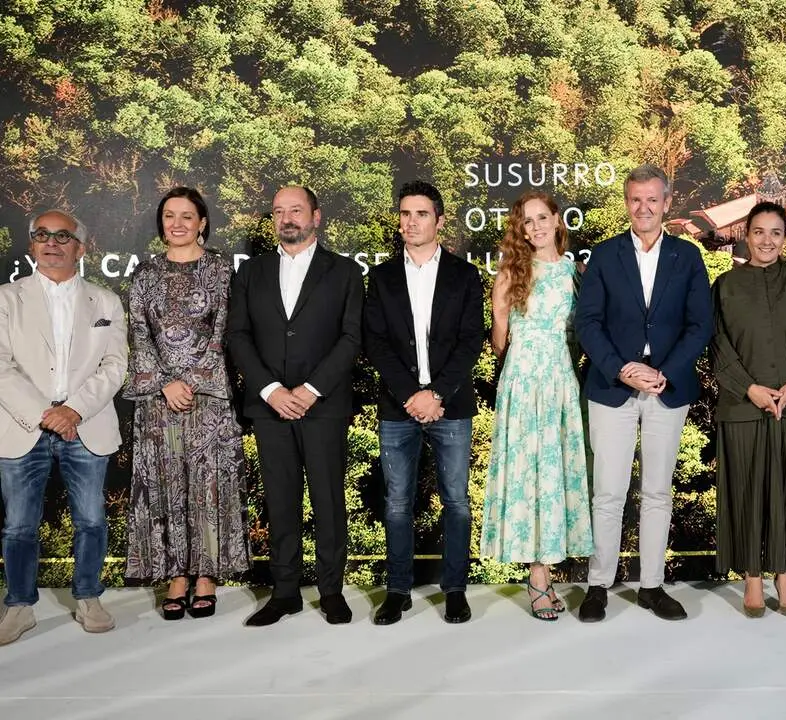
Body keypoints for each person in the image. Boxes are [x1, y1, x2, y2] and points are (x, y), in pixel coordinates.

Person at [575, 164, 713, 622]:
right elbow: (588, 324)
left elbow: (700, 325)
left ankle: (651, 585)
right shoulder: (604, 255)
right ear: (627, 202)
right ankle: (599, 585)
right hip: (612, 387)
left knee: (657, 492)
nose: (644, 207)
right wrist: (622, 369)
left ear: (667, 202)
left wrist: (664, 373)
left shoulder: (688, 256)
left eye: (652, 199)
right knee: (608, 493)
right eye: (636, 199)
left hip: (667, 389)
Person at [227, 186, 363, 626]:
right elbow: (238, 336)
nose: (287, 218)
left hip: (322, 406)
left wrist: (310, 389)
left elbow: (351, 338)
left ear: (316, 217)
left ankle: (331, 591)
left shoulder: (344, 272)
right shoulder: (251, 272)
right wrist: (270, 390)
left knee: (328, 501)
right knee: (280, 501)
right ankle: (284, 593)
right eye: (279, 211)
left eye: (296, 210)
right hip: (270, 408)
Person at [122, 187, 250, 620]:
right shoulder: (144, 274)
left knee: (207, 488)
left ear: (202, 223)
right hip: (159, 403)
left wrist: (191, 382)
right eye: (169, 216)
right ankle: (176, 575)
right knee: (167, 488)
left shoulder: (219, 271)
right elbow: (137, 333)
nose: (177, 224)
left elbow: (225, 334)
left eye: (186, 216)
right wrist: (163, 383)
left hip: (208, 400)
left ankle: (207, 576)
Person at [0, 210, 126, 645]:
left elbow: (115, 365)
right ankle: (19, 606)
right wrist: (44, 412)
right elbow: (0, 366)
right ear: (32, 244)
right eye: (41, 235)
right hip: (22, 426)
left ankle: (89, 597)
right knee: (18, 526)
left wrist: (73, 410)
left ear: (81, 246)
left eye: (62, 236)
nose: (51, 243)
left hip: (85, 426)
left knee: (90, 520)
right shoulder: (5, 299)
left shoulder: (106, 301)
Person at [364, 181, 484, 625]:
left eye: (420, 214)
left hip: (450, 406)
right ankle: (398, 590)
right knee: (397, 502)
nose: (410, 222)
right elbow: (375, 342)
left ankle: (455, 589)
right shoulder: (380, 277)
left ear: (438, 220)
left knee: (456, 501)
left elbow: (472, 341)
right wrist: (410, 394)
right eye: (405, 214)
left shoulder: (464, 275)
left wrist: (437, 394)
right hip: (399, 408)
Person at [711, 201, 786, 618]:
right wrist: (751, 390)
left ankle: (785, 576)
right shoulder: (725, 285)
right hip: (742, 406)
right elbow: (718, 345)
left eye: (775, 232)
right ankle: (751, 577)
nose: (767, 240)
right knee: (745, 488)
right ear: (747, 234)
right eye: (759, 232)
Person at [482, 191, 593, 621]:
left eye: (541, 218)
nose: (535, 227)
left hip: (561, 382)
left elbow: (582, 333)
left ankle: (544, 572)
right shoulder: (512, 271)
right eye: (526, 222)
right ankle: (538, 578)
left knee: (555, 475)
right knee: (530, 476)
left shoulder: (575, 272)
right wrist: (508, 330)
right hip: (524, 382)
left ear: (557, 221)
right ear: (520, 229)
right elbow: (499, 340)